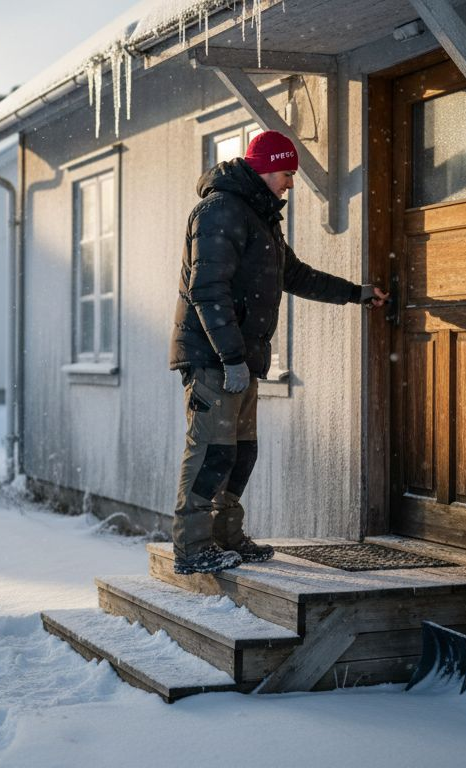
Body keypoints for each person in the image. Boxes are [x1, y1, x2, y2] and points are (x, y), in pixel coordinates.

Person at [169, 130, 389, 575]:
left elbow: (296, 274)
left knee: (240, 451)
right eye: (287, 174)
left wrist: (356, 293)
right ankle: (192, 547)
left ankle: (225, 536)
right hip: (214, 358)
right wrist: (230, 358)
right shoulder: (220, 211)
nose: (290, 184)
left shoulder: (257, 215)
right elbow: (207, 290)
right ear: (265, 169)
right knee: (211, 451)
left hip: (240, 359)